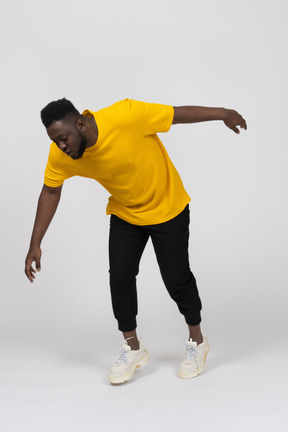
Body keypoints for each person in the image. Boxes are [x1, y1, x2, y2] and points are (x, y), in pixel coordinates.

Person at [24, 97, 247, 384]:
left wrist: (224, 113)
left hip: (168, 208)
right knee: (120, 275)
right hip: (127, 212)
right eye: (55, 142)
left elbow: (177, 115)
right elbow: (50, 191)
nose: (61, 146)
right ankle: (132, 347)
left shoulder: (126, 115)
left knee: (176, 277)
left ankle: (197, 340)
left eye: (63, 138)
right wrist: (35, 243)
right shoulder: (62, 155)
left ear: (80, 123)